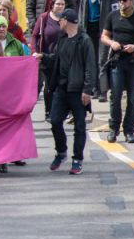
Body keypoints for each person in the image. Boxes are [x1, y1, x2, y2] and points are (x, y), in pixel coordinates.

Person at [35, 9, 96, 175]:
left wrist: (87, 90)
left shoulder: (84, 41)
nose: (58, 23)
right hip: (61, 88)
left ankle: (77, 159)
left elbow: (90, 67)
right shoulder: (62, 39)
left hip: (77, 90)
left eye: (60, 20)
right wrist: (43, 56)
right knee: (55, 121)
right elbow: (56, 58)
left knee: (79, 126)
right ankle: (61, 152)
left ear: (66, 21)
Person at [101, 0, 134, 144]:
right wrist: (112, 43)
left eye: (125, 0)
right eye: (120, 0)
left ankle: (129, 130)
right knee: (115, 97)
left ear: (131, 0)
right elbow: (104, 36)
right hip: (117, 61)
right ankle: (113, 129)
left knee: (133, 98)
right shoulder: (112, 16)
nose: (121, 2)